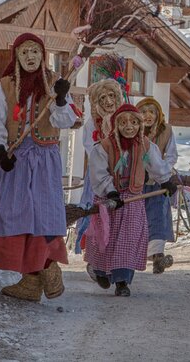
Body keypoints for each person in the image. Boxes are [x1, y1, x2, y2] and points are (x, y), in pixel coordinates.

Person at [0, 33, 79, 302]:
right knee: (14, 213)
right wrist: (0, 150)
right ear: (16, 56)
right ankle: (31, 280)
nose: (30, 57)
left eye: (35, 51)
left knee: (41, 214)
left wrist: (61, 99)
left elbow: (65, 121)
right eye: (24, 52)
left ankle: (47, 265)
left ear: (42, 55)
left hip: (45, 160)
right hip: (16, 159)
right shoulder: (6, 85)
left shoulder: (55, 83)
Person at [83, 103, 175, 297]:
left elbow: (156, 165)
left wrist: (166, 180)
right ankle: (100, 272)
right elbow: (98, 173)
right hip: (110, 201)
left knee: (128, 241)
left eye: (134, 122)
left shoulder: (145, 146)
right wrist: (110, 192)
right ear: (116, 125)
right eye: (123, 122)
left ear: (139, 125)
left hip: (133, 200)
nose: (129, 127)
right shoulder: (104, 147)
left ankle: (122, 281)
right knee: (105, 240)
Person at [76, 78, 123, 258]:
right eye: (102, 98)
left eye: (111, 96)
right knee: (98, 212)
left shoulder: (125, 119)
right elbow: (91, 148)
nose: (108, 101)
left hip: (122, 173)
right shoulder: (92, 124)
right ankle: (94, 254)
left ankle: (117, 252)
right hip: (99, 173)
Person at [137, 97, 179, 274]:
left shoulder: (166, 130)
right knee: (137, 218)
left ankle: (157, 257)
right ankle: (133, 255)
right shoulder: (132, 130)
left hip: (158, 183)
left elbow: (171, 155)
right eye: (143, 112)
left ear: (158, 115)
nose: (148, 116)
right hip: (136, 183)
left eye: (151, 112)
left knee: (157, 216)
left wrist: (164, 173)